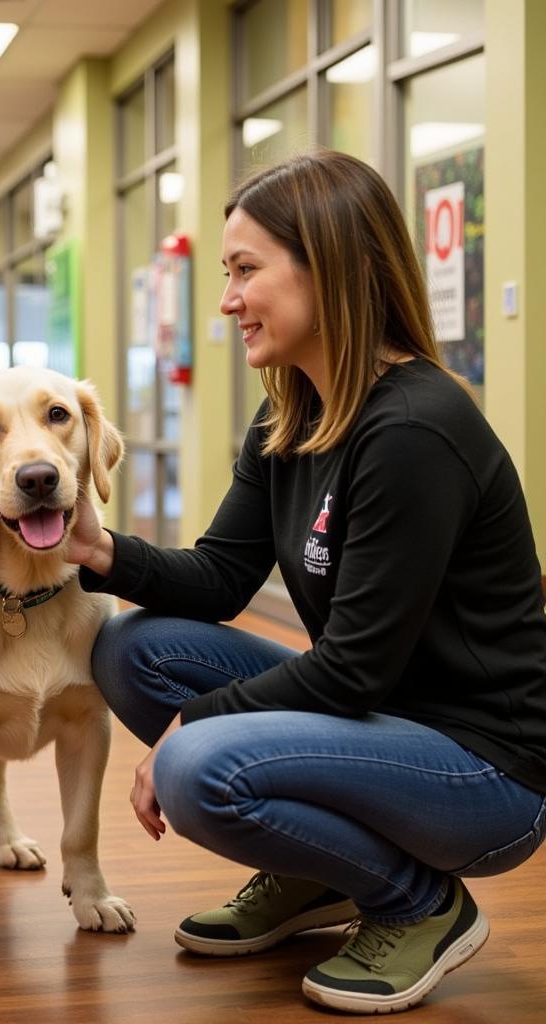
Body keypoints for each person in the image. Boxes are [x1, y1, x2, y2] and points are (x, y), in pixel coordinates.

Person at [65, 149, 546, 1015]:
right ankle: (311, 871)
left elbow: (352, 668)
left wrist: (190, 727)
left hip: (485, 771)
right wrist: (101, 551)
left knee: (198, 767)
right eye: (225, 272)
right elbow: (218, 579)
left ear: (331, 269)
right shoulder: (291, 411)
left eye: (246, 271)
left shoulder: (414, 431)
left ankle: (418, 902)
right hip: (383, 720)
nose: (226, 300)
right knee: (131, 647)